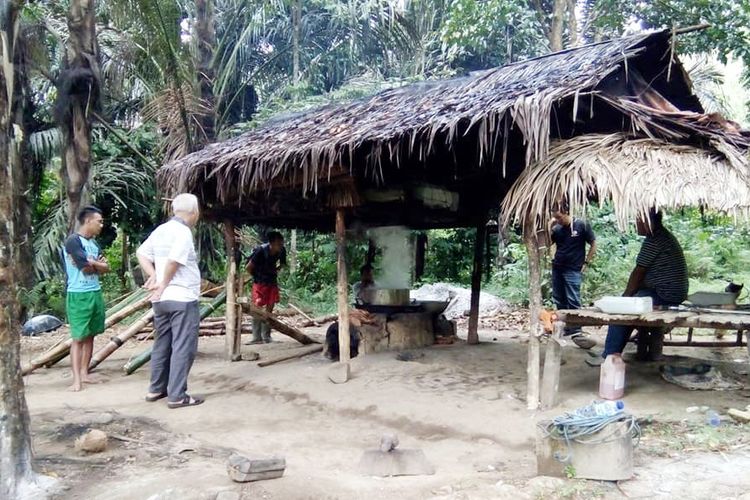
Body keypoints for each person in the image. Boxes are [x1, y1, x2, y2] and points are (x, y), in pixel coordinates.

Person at [587, 209, 688, 366]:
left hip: (665, 294)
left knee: (622, 313)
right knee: (631, 301)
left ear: (648, 221)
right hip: (666, 292)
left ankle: (608, 355)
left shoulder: (655, 239)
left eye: (638, 220)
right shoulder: (661, 236)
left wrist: (625, 297)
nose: (636, 224)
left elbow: (638, 272)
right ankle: (626, 351)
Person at [137, 194, 204, 408]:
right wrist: (163, 281)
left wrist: (154, 276)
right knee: (183, 346)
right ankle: (177, 395)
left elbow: (142, 253)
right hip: (182, 298)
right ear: (193, 212)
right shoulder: (183, 232)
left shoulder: (161, 230)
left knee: (162, 344)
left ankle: (156, 389)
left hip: (162, 301)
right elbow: (175, 260)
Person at [63, 206, 109, 392]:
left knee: (91, 334)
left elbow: (106, 267)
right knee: (78, 337)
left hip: (95, 291)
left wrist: (95, 264)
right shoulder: (73, 241)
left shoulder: (94, 244)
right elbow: (85, 267)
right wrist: (97, 265)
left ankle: (84, 373)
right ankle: (76, 380)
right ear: (88, 221)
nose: (101, 225)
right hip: (78, 294)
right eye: (99, 221)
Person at [550, 202, 597, 349]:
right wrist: (549, 227)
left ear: (566, 212)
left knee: (573, 298)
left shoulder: (581, 225)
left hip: (573, 268)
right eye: (555, 218)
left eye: (559, 217)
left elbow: (593, 243)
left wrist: (586, 262)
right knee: (559, 297)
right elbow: (548, 243)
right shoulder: (557, 228)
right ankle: (565, 327)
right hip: (558, 267)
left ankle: (577, 329)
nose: (558, 220)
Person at [246, 231, 286, 344]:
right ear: (271, 243)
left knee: (270, 308)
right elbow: (248, 267)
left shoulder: (282, 251)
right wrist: (257, 276)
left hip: (272, 282)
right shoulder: (260, 251)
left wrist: (274, 271)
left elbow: (282, 264)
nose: (281, 246)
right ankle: (256, 337)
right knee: (256, 309)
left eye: (281, 243)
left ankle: (267, 336)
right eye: (278, 244)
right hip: (259, 283)